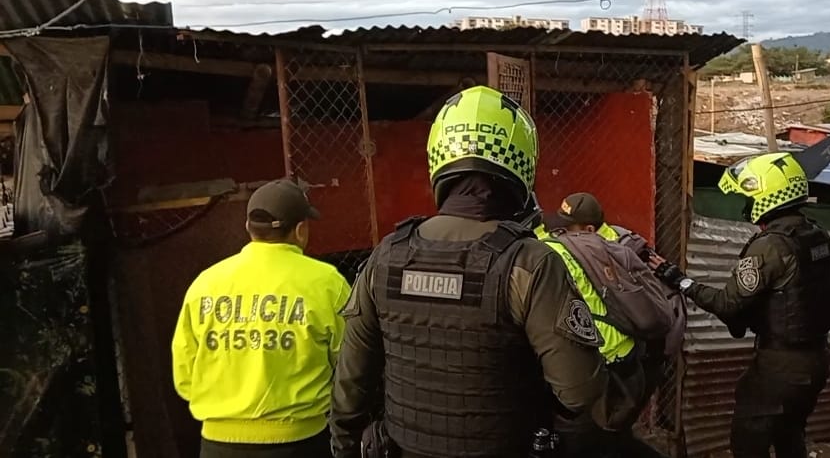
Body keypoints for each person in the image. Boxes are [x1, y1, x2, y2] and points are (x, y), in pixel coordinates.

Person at [329, 86, 610, 458]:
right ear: (521, 162)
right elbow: (581, 393)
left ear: (439, 157)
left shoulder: (386, 257)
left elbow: (350, 386)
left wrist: (345, 448)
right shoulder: (529, 262)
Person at [655, 153, 830, 458]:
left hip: (780, 366)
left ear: (767, 196)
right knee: (790, 436)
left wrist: (681, 281)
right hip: (816, 361)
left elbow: (728, 304)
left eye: (749, 198)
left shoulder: (771, 246)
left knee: (748, 442)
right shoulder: (816, 236)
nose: (745, 206)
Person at [171, 179, 351, 458]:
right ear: (301, 230)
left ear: (248, 228)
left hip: (218, 445)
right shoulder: (327, 282)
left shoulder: (205, 284)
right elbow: (350, 364)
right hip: (299, 442)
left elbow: (184, 373)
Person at [539, 192, 682, 458]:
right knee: (612, 436)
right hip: (631, 360)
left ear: (588, 229)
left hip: (603, 363)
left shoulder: (564, 249)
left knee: (597, 442)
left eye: (568, 228)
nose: (561, 232)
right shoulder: (620, 243)